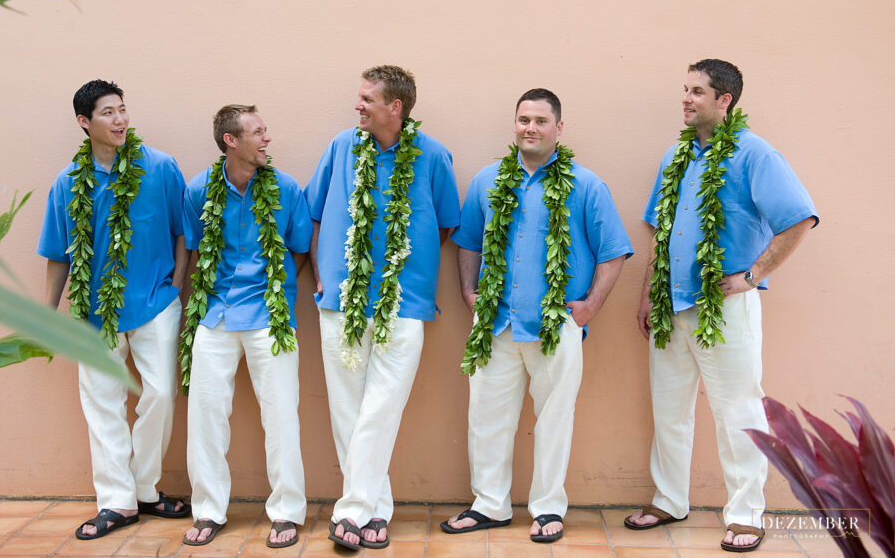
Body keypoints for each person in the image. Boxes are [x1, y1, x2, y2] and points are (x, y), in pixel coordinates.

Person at [625, 59, 818, 553]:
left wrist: (753, 277)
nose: (686, 99)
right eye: (685, 90)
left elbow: (798, 219)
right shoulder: (677, 157)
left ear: (725, 100)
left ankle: (746, 513)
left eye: (697, 91)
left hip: (725, 307)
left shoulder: (755, 154)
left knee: (738, 411)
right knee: (669, 410)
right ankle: (669, 499)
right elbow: (659, 229)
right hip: (673, 303)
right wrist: (650, 289)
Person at [441, 88, 633, 542]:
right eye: (524, 119)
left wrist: (590, 307)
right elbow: (468, 240)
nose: (531, 128)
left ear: (558, 128)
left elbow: (614, 252)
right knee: (486, 417)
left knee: (554, 417)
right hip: (496, 322)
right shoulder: (488, 180)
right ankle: (489, 504)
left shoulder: (586, 185)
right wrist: (469, 293)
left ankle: (548, 509)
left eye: (541, 121)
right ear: (514, 124)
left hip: (556, 325)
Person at [304, 65, 460, 550]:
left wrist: (410, 270)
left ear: (395, 107)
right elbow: (312, 214)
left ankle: (349, 511)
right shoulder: (341, 148)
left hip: (404, 304)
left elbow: (444, 225)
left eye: (367, 99)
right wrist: (323, 272)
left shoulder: (433, 157)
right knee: (348, 411)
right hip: (341, 301)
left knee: (380, 408)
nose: (358, 106)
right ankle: (375, 511)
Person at [37, 79, 190, 541]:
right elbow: (58, 255)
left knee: (161, 396)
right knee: (102, 406)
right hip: (93, 315)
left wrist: (175, 289)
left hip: (154, 302)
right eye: (108, 112)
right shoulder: (66, 184)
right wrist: (47, 315)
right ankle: (117, 502)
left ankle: (144, 487)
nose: (120, 119)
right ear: (85, 123)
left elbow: (184, 233)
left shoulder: (160, 167)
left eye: (122, 109)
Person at [179, 105, 312, 548]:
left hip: (269, 318)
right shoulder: (198, 189)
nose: (266, 139)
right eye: (257, 132)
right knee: (205, 417)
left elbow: (299, 251)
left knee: (281, 416)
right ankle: (208, 510)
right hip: (214, 315)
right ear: (231, 140)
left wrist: (275, 290)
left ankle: (287, 512)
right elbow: (195, 251)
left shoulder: (286, 188)